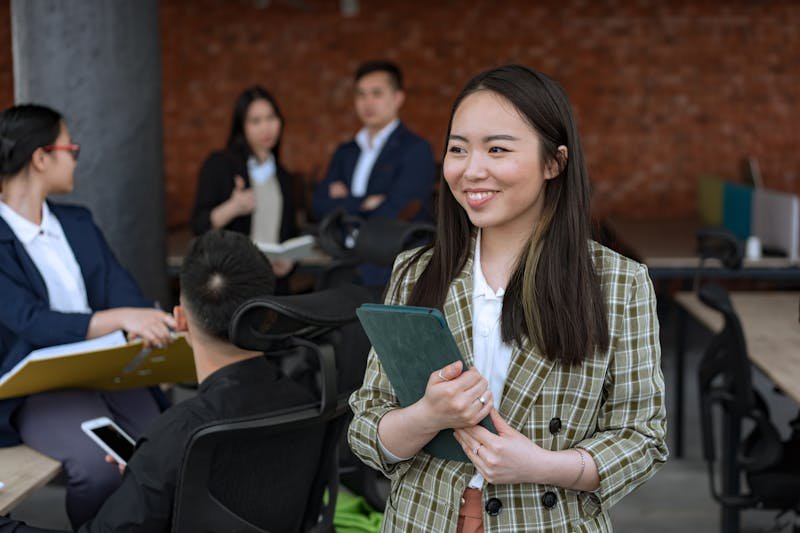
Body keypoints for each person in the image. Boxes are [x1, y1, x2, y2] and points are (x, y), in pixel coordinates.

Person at [348, 65, 668, 532]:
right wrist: (426, 415)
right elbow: (365, 427)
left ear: (554, 162)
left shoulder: (619, 283)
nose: (472, 169)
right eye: (458, 149)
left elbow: (643, 439)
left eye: (497, 149)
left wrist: (541, 465)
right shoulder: (416, 272)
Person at [0, 230, 315, 532]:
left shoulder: (176, 435)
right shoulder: (308, 401)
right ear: (267, 316)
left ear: (180, 320)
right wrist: (147, 481)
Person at [0, 104, 176, 528]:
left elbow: (124, 294)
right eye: (70, 147)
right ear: (41, 157)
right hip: (39, 388)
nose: (75, 157)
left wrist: (141, 319)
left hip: (107, 372)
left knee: (167, 451)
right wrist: (118, 319)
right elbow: (30, 321)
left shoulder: (77, 222)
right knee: (99, 469)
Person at [312, 60, 436, 286]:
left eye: (376, 93)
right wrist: (362, 203)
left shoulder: (416, 149)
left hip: (389, 268)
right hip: (341, 262)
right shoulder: (345, 151)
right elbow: (319, 205)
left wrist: (344, 204)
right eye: (361, 95)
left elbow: (398, 212)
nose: (367, 102)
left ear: (398, 98)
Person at [190, 85, 297, 284]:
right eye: (256, 121)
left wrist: (289, 261)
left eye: (271, 118)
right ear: (242, 127)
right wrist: (233, 207)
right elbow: (199, 224)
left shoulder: (284, 177)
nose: (266, 127)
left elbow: (289, 234)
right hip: (231, 284)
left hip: (273, 283)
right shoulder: (220, 165)